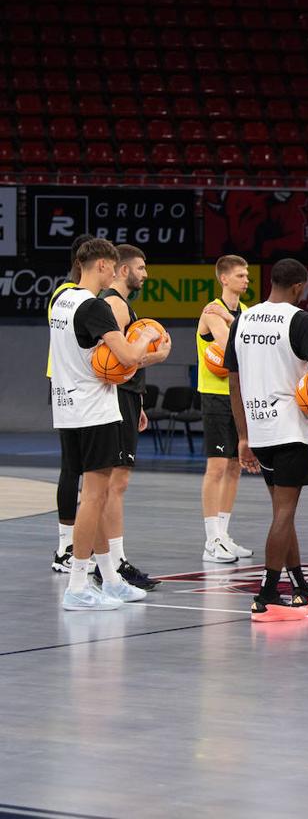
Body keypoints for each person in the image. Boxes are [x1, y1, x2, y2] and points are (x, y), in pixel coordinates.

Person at [227, 258, 308, 621]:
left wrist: (243, 435)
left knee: (281, 514)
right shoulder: (299, 320)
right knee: (284, 513)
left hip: (258, 427)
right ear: (300, 287)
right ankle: (267, 596)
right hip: (290, 429)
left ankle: (301, 588)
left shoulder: (243, 319)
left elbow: (233, 381)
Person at [50, 238, 159, 610]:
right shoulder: (93, 307)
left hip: (67, 408)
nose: (115, 274)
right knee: (94, 498)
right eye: (112, 268)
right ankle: (78, 585)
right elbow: (127, 356)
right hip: (94, 411)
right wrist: (147, 339)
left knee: (92, 498)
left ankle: (111, 579)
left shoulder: (60, 299)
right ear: (99, 266)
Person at [93, 244, 173, 592]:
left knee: (116, 484)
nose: (145, 273)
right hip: (116, 398)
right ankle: (111, 562)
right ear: (123, 270)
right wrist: (158, 355)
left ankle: (110, 560)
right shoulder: (114, 303)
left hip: (126, 399)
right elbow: (118, 362)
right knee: (114, 484)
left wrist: (138, 401)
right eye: (141, 268)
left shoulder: (121, 304)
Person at [196, 255, 252, 563]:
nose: (246, 280)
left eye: (247, 275)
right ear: (224, 279)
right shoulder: (212, 311)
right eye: (240, 275)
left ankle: (224, 535)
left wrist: (234, 320)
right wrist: (232, 323)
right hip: (216, 396)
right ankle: (210, 540)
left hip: (239, 396)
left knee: (235, 467)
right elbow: (234, 347)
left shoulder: (241, 312)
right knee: (216, 467)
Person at [50, 232, 93, 574]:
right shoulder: (71, 296)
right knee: (74, 468)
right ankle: (66, 545)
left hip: (68, 381)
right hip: (72, 383)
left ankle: (70, 545)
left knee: (77, 469)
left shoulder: (62, 295)